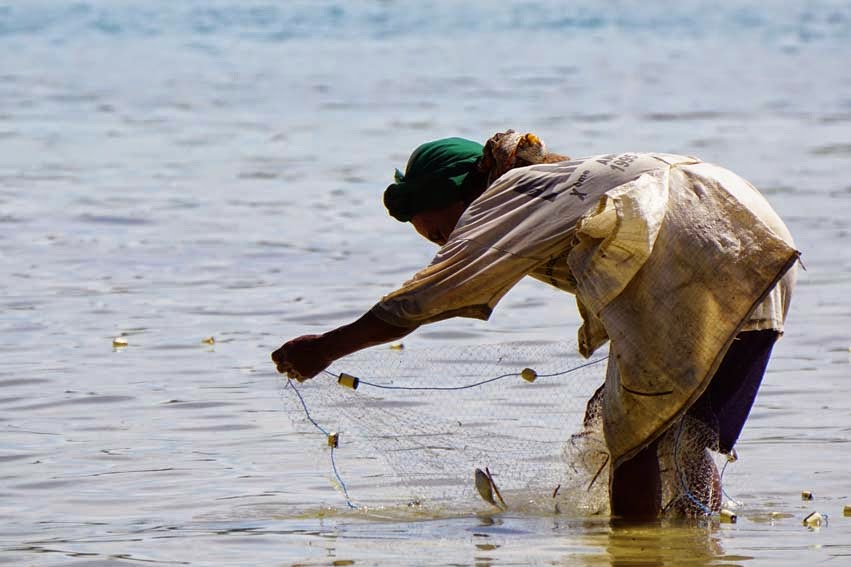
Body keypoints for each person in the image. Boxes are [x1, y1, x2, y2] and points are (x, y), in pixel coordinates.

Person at [272, 130, 799, 520]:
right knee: (681, 427)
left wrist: (326, 348)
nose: (446, 244)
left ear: (461, 196)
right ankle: (696, 541)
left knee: (633, 437)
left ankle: (635, 550)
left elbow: (429, 295)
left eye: (439, 232)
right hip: (756, 236)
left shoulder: (503, 198)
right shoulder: (552, 183)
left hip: (688, 238)